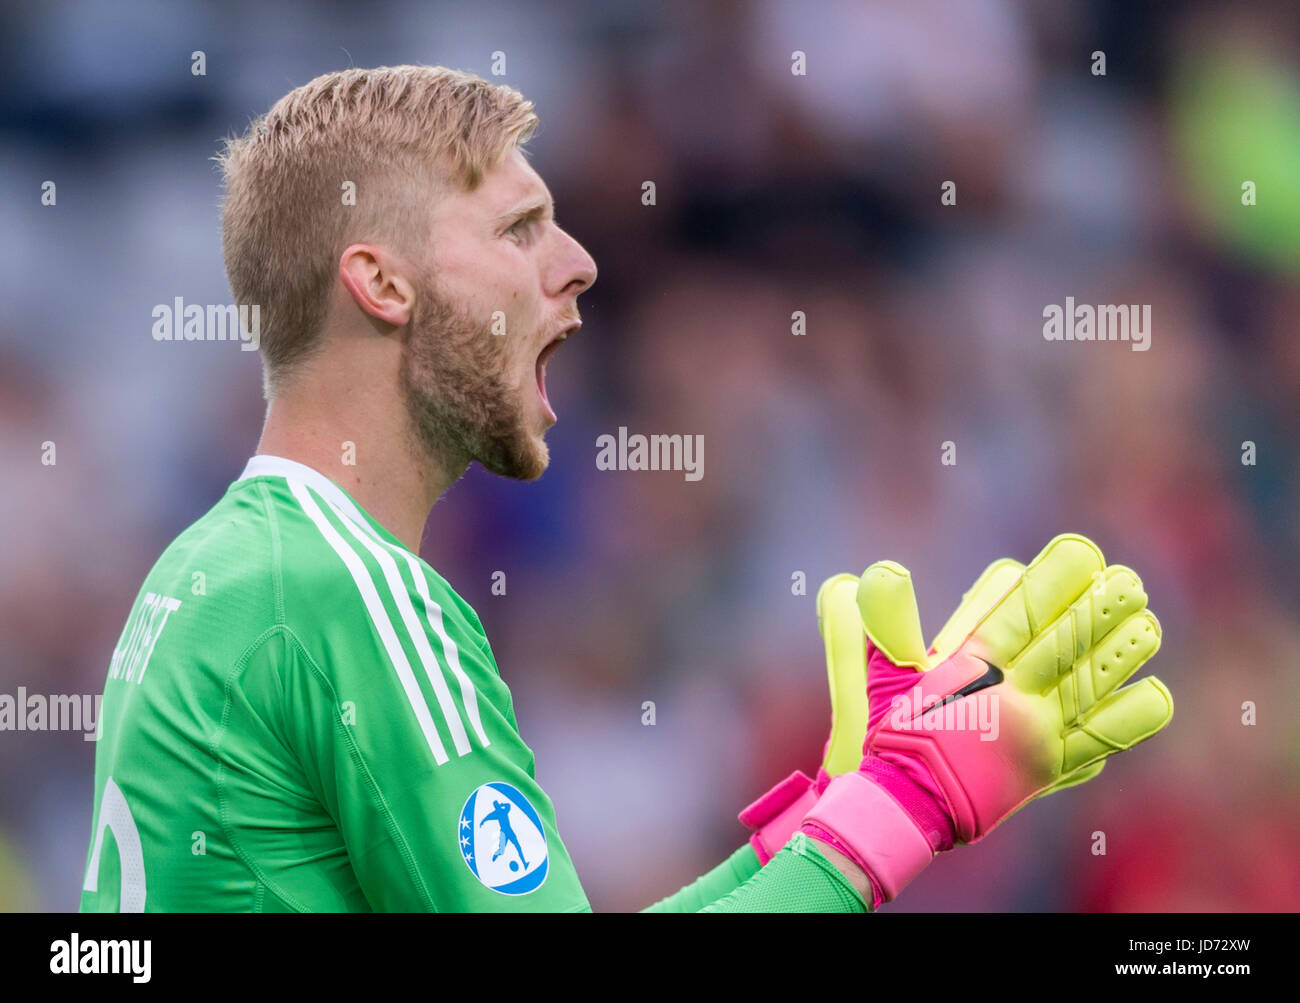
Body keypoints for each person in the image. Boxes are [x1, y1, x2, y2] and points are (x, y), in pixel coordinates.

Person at [79, 65, 1170, 913]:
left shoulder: (211, 569)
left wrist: (827, 823)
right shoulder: (354, 595)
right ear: (381, 281)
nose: (580, 261)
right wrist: (906, 801)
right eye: (518, 229)